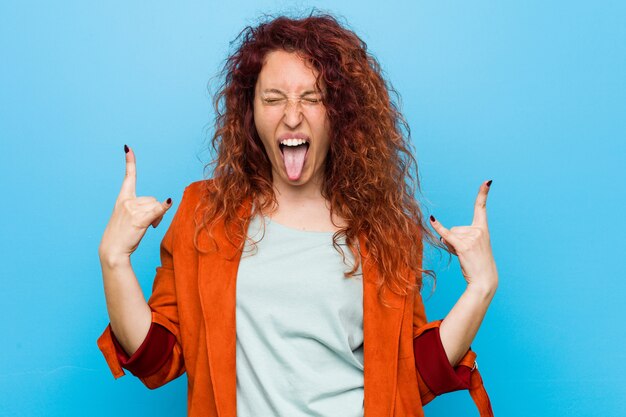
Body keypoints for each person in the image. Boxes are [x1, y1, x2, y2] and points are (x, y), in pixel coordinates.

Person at [97, 12, 497, 417]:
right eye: (273, 98)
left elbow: (406, 378)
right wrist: (114, 260)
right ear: (249, 112)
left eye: (313, 98)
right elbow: (157, 358)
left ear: (341, 113)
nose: (292, 115)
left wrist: (480, 288)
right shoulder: (204, 214)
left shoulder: (382, 230)